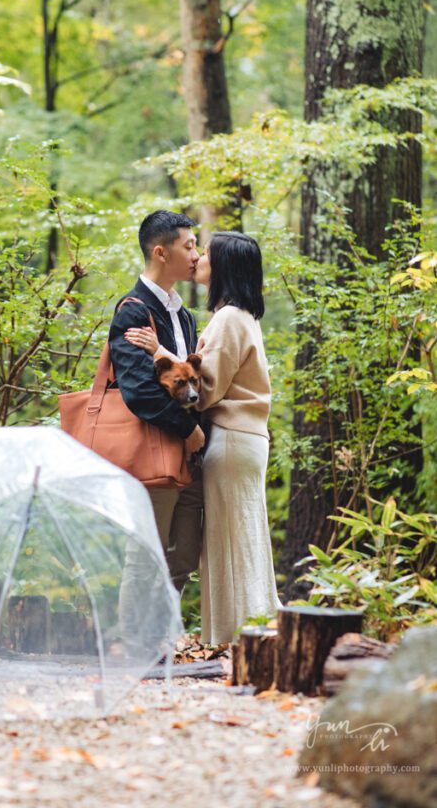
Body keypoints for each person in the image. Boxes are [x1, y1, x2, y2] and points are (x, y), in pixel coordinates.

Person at [125, 230, 280, 645]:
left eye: (205, 251)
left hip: (231, 438)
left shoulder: (230, 318)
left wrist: (159, 351)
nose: (198, 258)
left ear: (224, 264)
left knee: (232, 542)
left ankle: (238, 639)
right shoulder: (239, 316)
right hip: (243, 439)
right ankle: (248, 634)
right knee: (240, 537)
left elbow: (204, 391)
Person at [108, 211, 205, 563]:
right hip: (152, 450)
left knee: (186, 556)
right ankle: (135, 622)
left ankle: (167, 622)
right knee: (146, 557)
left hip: (190, 455)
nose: (197, 255)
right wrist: (187, 428)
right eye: (190, 246)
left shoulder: (184, 315)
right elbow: (136, 389)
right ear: (161, 253)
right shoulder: (133, 312)